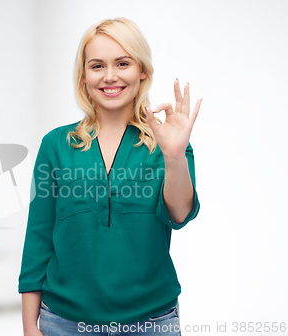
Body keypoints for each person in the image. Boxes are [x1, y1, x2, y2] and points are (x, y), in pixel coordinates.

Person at [18, 17, 202, 336]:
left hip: (152, 321)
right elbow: (38, 236)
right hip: (63, 321)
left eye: (122, 63)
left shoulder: (167, 141)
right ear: (84, 76)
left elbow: (180, 214)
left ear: (142, 70)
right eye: (97, 66)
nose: (110, 76)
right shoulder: (56, 145)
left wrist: (174, 157)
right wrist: (28, 326)